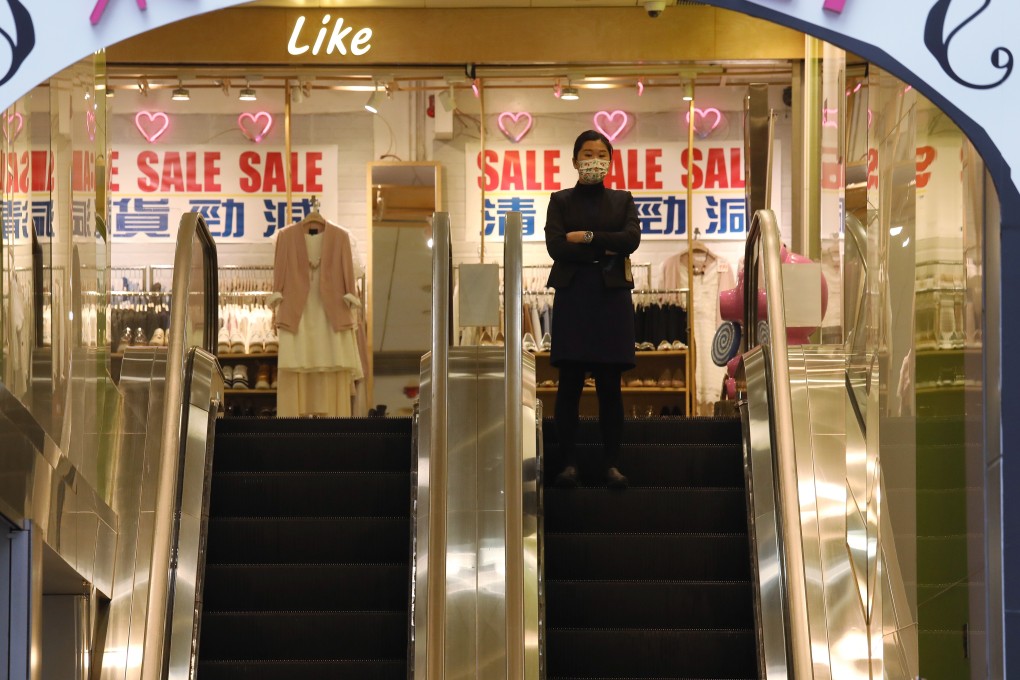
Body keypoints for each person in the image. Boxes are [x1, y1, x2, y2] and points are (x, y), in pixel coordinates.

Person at [545, 129, 641, 489]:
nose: (593, 160)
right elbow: (556, 246)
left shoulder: (622, 199)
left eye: (600, 154)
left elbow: (630, 239)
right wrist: (606, 246)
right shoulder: (560, 200)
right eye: (586, 154)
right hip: (573, 298)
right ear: (574, 160)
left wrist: (584, 237)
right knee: (568, 385)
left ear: (610, 162)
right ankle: (568, 464)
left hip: (610, 299)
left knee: (610, 387)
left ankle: (611, 465)